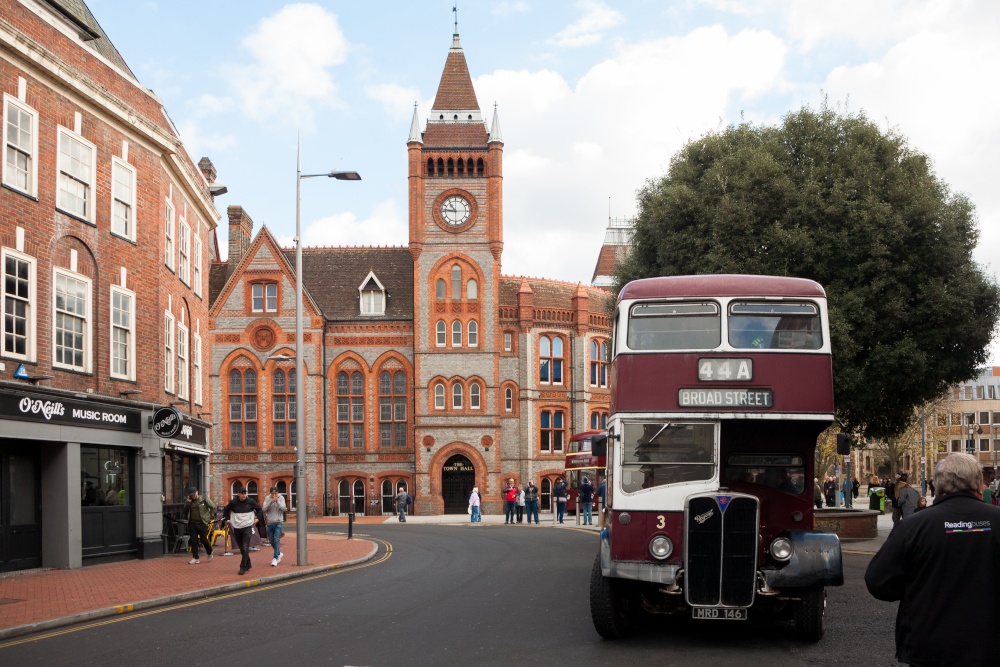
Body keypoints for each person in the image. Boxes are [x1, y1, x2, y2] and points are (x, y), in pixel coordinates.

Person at [865, 453, 1000, 666]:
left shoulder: (913, 526)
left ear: (937, 486)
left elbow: (878, 582)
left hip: (929, 646)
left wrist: (916, 587)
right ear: (979, 485)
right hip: (991, 646)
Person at [223, 484, 263, 575]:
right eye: (242, 494)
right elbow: (226, 510)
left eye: (245, 493)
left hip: (247, 527)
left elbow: (259, 509)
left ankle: (242, 567)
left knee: (245, 547)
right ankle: (248, 564)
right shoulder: (233, 502)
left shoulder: (251, 501)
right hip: (237, 527)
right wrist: (228, 519)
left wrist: (258, 518)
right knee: (242, 548)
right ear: (238, 494)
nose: (244, 495)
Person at [184, 486, 215, 564]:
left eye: (193, 494)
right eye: (191, 495)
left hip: (202, 523)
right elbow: (184, 511)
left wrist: (210, 517)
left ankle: (210, 552)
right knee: (193, 540)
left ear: (197, 492)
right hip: (192, 523)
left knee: (203, 539)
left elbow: (213, 507)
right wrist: (188, 502)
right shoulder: (188, 501)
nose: (193, 496)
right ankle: (195, 557)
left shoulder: (204, 499)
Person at [262, 486, 286, 566]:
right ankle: (279, 553)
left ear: (278, 493)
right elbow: (264, 509)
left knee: (276, 539)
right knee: (272, 541)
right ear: (270, 493)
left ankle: (275, 558)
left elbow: (284, 508)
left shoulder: (281, 498)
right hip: (269, 523)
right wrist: (270, 502)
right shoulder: (267, 498)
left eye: (275, 493)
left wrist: (277, 502)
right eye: (272, 493)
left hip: (278, 522)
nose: (274, 495)